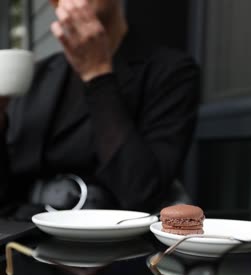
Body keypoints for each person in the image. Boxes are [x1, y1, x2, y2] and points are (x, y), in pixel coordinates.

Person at [0, 0, 199, 220]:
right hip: (21, 239)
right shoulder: (35, 76)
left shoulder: (169, 72)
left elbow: (141, 192)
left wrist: (98, 74)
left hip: (115, 243)